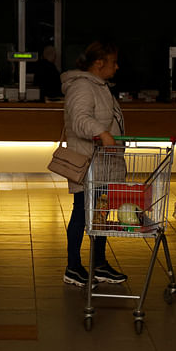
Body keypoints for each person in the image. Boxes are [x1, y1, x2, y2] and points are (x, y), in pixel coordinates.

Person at [60, 40, 127, 287]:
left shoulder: (98, 86)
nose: (117, 67)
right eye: (113, 62)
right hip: (89, 164)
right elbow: (80, 119)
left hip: (101, 164)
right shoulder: (83, 87)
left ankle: (99, 265)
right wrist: (102, 133)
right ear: (99, 63)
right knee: (82, 212)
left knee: (98, 214)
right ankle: (74, 267)